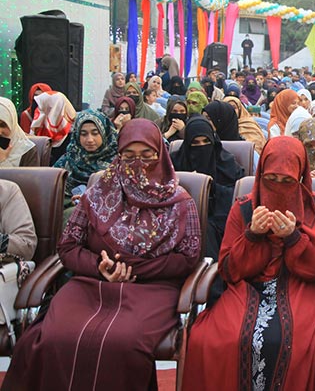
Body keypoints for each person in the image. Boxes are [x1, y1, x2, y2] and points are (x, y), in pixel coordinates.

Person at [4, 119, 201, 390]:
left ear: (161, 155)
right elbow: (68, 246)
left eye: (147, 156)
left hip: (152, 288)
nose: (138, 164)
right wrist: (99, 266)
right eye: (129, 156)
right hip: (91, 283)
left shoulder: (179, 201)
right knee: (53, 337)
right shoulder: (97, 194)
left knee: (124, 342)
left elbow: (188, 257)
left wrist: (133, 270)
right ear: (118, 157)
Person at [183, 137, 315, 390]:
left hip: (301, 285)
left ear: (300, 178)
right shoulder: (244, 207)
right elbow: (228, 269)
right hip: (249, 285)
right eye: (271, 180)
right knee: (212, 338)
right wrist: (253, 235)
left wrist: (293, 238)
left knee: (306, 342)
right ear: (260, 175)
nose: (278, 188)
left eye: (287, 181)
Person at [171, 116, 244, 261]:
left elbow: (238, 196)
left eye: (206, 141)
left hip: (219, 216)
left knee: (206, 227)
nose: (202, 147)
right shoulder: (175, 161)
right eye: (195, 143)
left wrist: (210, 187)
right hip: (181, 216)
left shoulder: (227, 163)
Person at [54, 109, 119, 226]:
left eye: (95, 133)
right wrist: (72, 201)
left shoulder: (118, 161)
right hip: (73, 211)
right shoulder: (69, 160)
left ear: (104, 132)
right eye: (83, 134)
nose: (89, 139)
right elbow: (53, 193)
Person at [29, 91, 76, 162]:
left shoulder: (73, 137)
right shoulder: (36, 130)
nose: (38, 111)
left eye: (42, 107)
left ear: (55, 108)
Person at [0, 98, 39, 167]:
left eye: (3, 125)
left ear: (12, 124)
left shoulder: (27, 150)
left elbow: (29, 174)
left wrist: (3, 161)